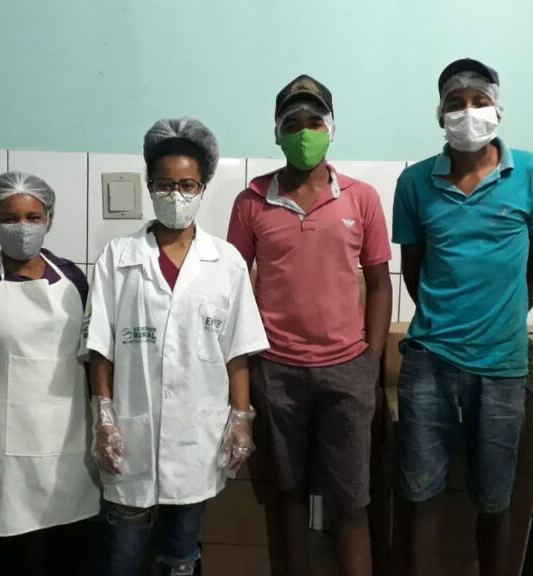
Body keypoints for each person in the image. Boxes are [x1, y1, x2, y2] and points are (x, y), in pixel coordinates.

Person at [392, 58, 533, 576]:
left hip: (502, 365)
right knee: (419, 493)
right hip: (429, 360)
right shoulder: (414, 182)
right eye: (456, 103)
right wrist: (450, 320)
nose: (468, 112)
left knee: (495, 499)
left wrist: (501, 319)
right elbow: (414, 272)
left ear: (498, 109)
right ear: (440, 114)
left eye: (479, 101)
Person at [83, 117, 269, 576]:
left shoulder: (226, 262)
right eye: (165, 184)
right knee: (122, 554)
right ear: (150, 186)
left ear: (202, 188)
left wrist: (241, 419)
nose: (176, 195)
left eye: (187, 185)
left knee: (181, 552)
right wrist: (104, 416)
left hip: (195, 434)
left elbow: (237, 350)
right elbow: (100, 347)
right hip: (132, 432)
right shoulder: (117, 258)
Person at [227, 74, 393, 576]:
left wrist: (370, 362)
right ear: (277, 133)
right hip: (276, 372)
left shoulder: (361, 199)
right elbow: (232, 286)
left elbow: (379, 284)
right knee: (288, 495)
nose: (304, 133)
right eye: (292, 123)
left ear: (332, 128)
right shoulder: (251, 201)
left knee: (351, 500)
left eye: (314, 122)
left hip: (347, 370)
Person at [0, 171, 100, 575]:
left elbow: (92, 359)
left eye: (33, 217)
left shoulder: (72, 279)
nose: (23, 227)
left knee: (69, 556)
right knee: (12, 561)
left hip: (69, 449)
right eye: (10, 218)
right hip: (3, 454)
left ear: (49, 219)